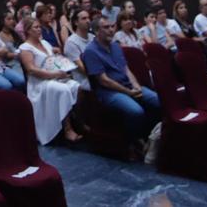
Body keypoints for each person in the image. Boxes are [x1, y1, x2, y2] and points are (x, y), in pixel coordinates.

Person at [82, 16, 160, 151]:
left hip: (128, 86)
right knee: (136, 111)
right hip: (108, 92)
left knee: (158, 100)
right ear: (95, 31)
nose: (111, 30)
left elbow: (126, 69)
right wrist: (128, 92)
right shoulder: (90, 51)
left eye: (112, 26)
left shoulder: (115, 46)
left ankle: (152, 135)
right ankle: (133, 142)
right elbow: (103, 80)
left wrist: (135, 85)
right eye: (106, 27)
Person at [18, 17, 82, 144]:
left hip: (55, 76)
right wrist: (55, 74)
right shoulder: (25, 48)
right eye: (35, 27)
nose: (39, 29)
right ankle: (67, 129)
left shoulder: (45, 43)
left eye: (39, 26)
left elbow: (53, 60)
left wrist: (58, 56)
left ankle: (78, 121)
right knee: (63, 90)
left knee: (77, 86)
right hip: (39, 83)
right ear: (28, 31)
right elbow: (31, 70)